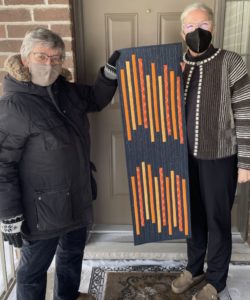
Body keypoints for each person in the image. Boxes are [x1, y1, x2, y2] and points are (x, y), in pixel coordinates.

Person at [0, 27, 119, 300]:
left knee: (72, 254)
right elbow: (2, 165)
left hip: (77, 195)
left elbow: (95, 99)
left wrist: (109, 74)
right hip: (42, 209)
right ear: (25, 57)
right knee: (33, 270)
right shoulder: (13, 106)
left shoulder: (65, 90)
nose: (49, 64)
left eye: (56, 58)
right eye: (42, 56)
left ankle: (67, 297)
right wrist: (9, 214)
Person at [171, 3, 250, 300]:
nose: (196, 32)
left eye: (202, 25)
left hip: (219, 156)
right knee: (191, 216)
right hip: (182, 157)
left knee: (217, 219)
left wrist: (246, 163)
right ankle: (194, 268)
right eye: (190, 27)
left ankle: (216, 280)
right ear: (182, 32)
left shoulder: (231, 61)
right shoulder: (175, 65)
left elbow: (245, 112)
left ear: (213, 28)